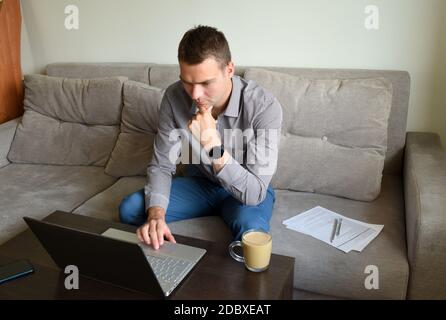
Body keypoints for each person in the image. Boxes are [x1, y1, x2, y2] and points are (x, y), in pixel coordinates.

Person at [119, 25, 282, 250]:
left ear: (229, 69)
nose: (195, 95)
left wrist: (210, 143)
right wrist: (156, 215)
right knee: (131, 209)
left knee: (251, 239)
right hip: (201, 184)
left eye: (206, 83)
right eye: (187, 81)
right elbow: (162, 165)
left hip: (243, 192)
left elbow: (254, 193)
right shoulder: (174, 97)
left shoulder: (264, 107)